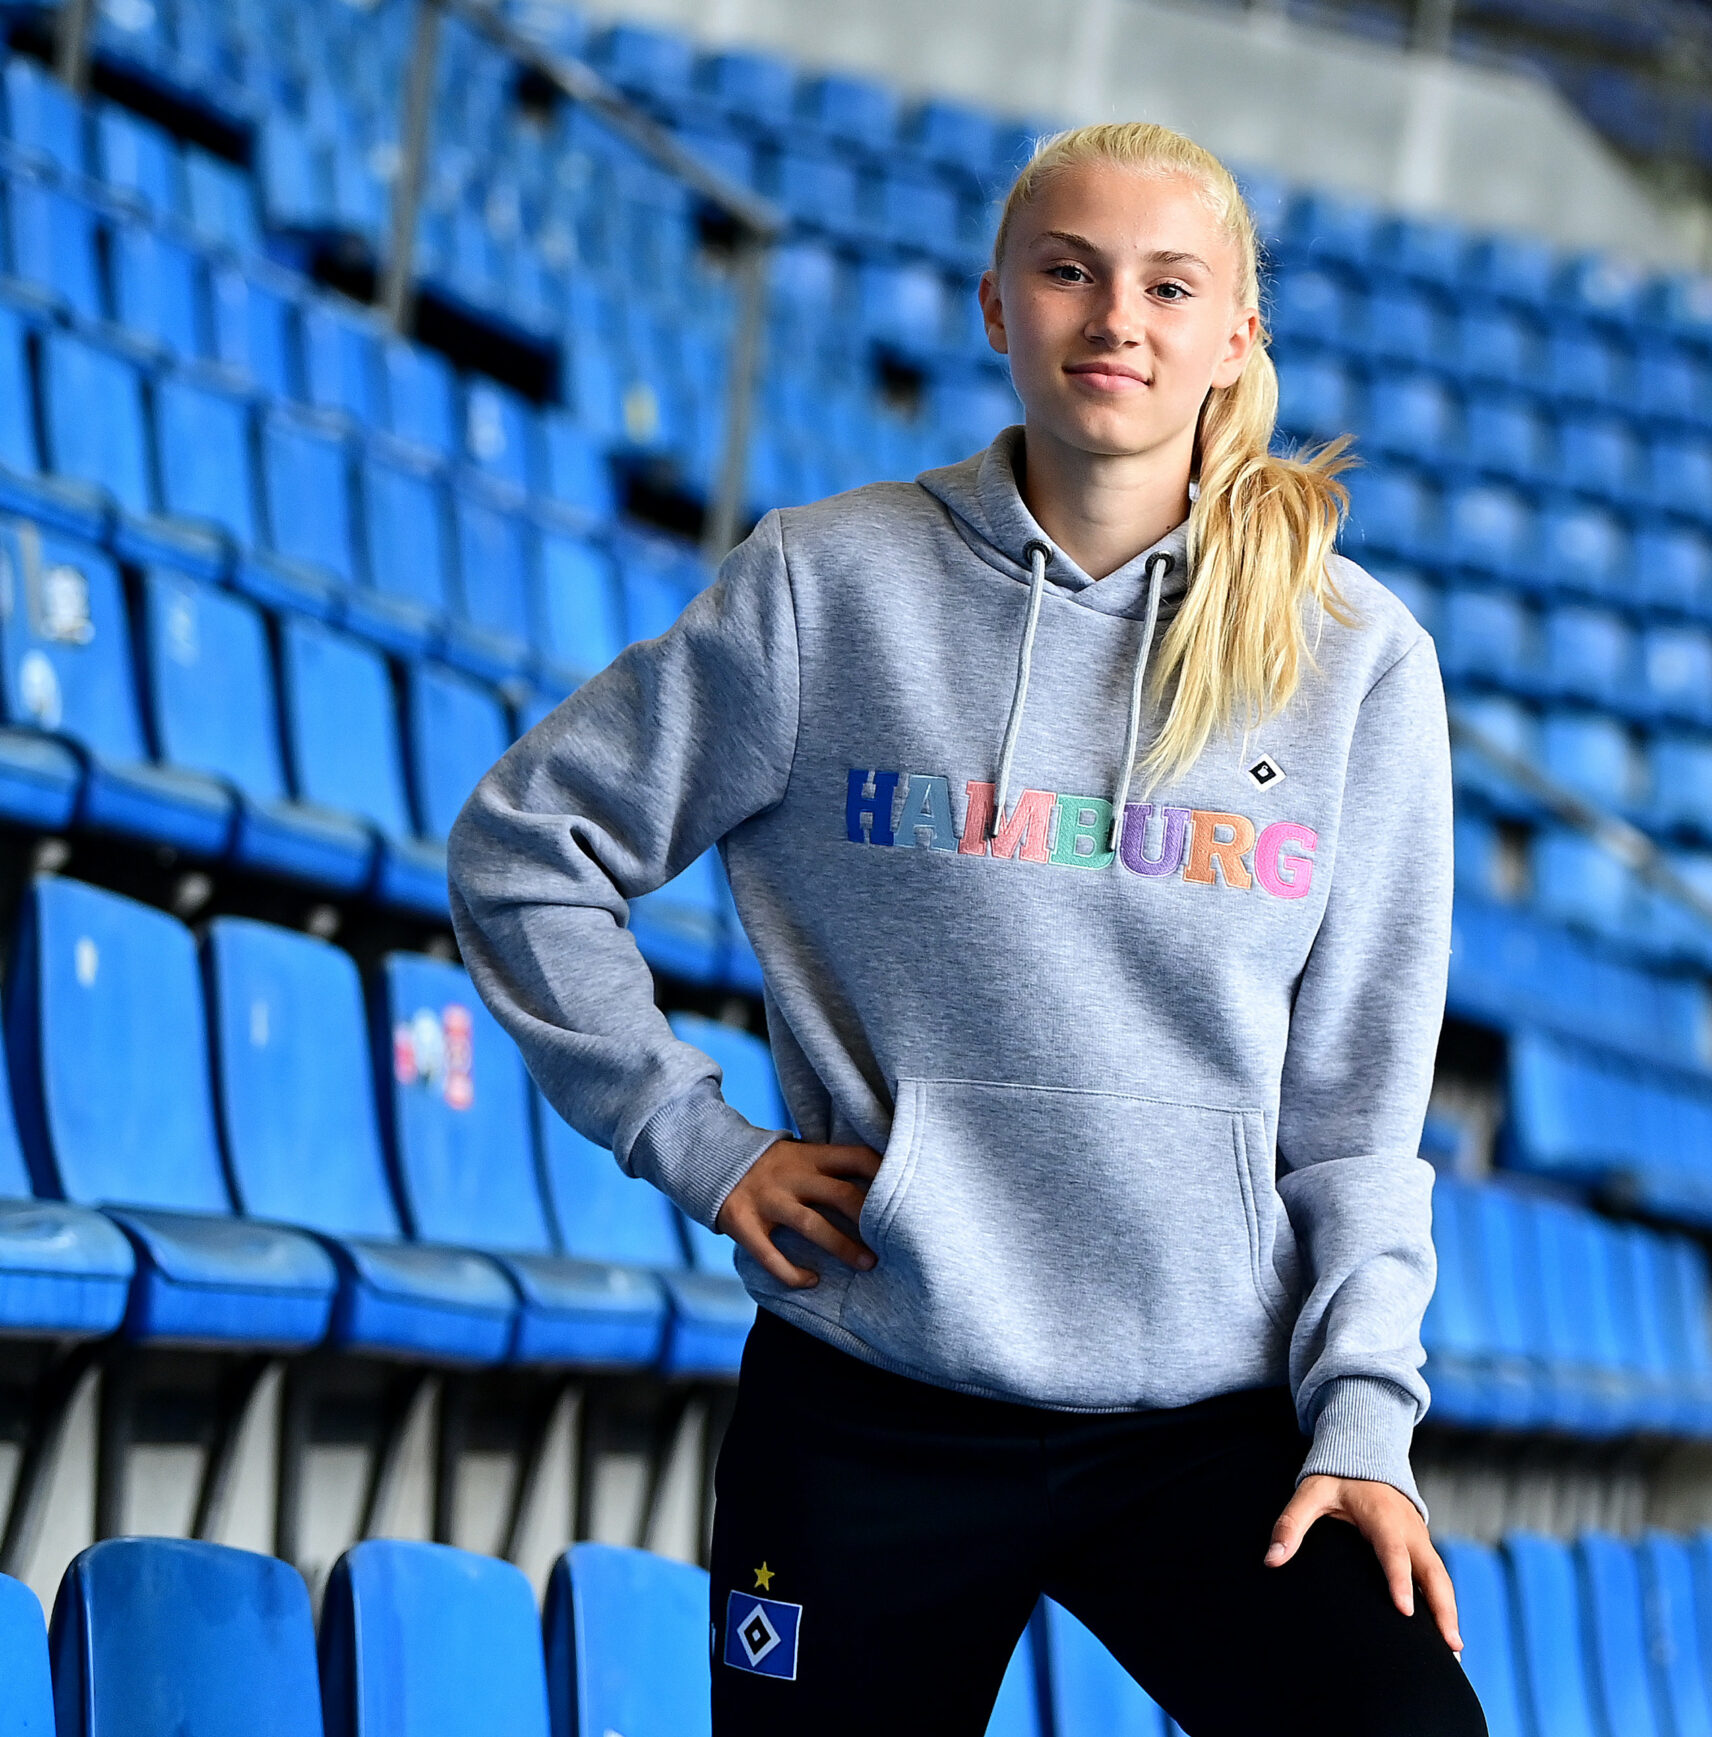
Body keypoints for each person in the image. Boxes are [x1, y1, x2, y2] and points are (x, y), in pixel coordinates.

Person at [448, 121, 1480, 1734]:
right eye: (1067, 271)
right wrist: (695, 1138)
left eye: (1167, 285)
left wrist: (1362, 1421)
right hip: (877, 1398)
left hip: (1205, 1417)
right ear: (997, 306)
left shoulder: (1354, 659)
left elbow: (1360, 1111)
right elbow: (527, 845)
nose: (1114, 319)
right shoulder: (825, 586)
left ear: (1235, 338)